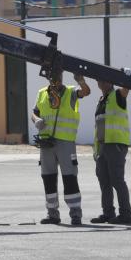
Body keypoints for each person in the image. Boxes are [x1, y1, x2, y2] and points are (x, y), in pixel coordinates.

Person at [31, 71, 90, 225]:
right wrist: (36, 120)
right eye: (52, 76)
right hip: (46, 142)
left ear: (62, 76)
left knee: (70, 178)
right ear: (48, 77)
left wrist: (81, 81)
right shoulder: (42, 93)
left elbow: (85, 92)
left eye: (58, 76)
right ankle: (52, 214)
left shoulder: (70, 91)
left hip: (65, 142)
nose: (55, 79)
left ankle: (75, 214)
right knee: (48, 178)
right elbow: (34, 112)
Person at [91, 72, 131, 224]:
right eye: (99, 80)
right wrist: (96, 150)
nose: (102, 82)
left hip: (115, 144)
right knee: (104, 181)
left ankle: (126, 214)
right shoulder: (102, 100)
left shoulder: (117, 95)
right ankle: (108, 213)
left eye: (105, 80)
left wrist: (127, 77)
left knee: (117, 180)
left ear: (111, 82)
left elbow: (126, 89)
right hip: (102, 147)